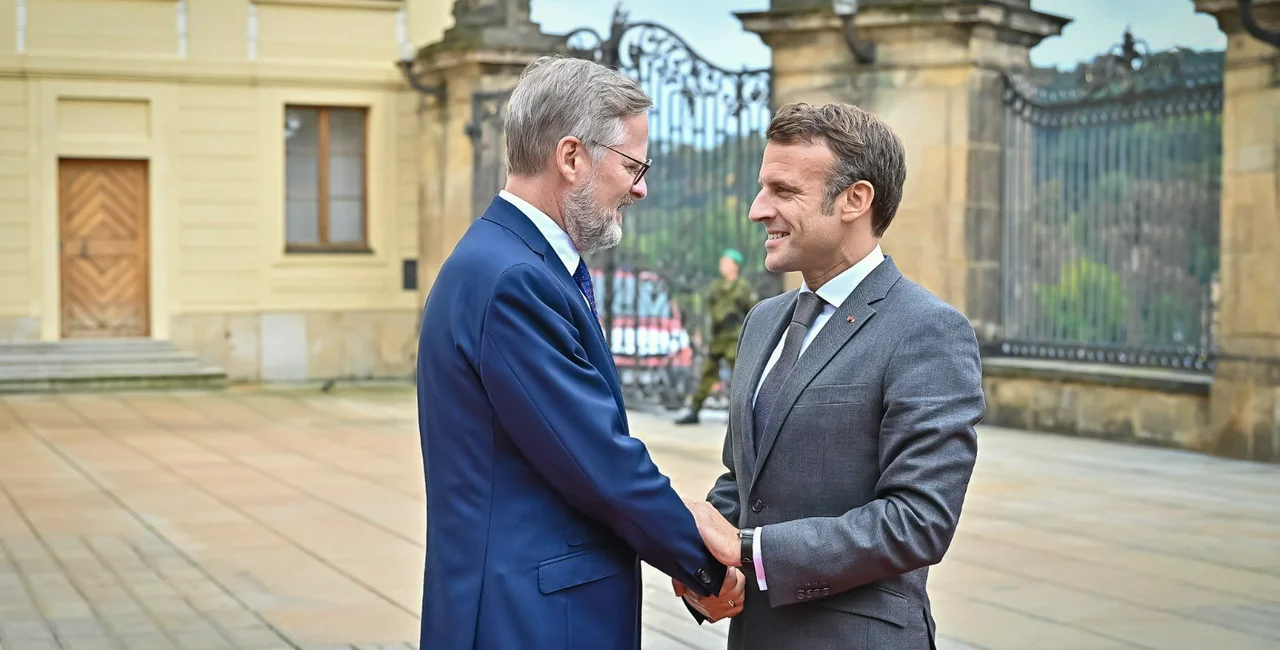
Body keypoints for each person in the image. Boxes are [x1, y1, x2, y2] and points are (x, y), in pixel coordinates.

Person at [415, 55, 743, 650]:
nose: (641, 187)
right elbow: (594, 460)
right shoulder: (515, 279)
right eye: (633, 165)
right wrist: (705, 563)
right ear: (570, 157)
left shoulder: (504, 259)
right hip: (530, 619)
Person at [677, 102, 985, 649]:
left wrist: (749, 548)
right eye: (761, 187)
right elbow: (743, 481)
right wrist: (705, 564)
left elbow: (919, 520)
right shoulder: (762, 320)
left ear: (855, 200)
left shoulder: (928, 330)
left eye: (783, 191)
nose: (756, 209)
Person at [675, 249, 757, 425]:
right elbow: (710, 312)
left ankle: (738, 413)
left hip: (734, 337)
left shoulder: (743, 287)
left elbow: (752, 312)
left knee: (739, 376)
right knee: (707, 373)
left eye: (726, 262)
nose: (723, 266)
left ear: (735, 266)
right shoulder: (716, 286)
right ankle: (695, 409)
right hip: (718, 337)